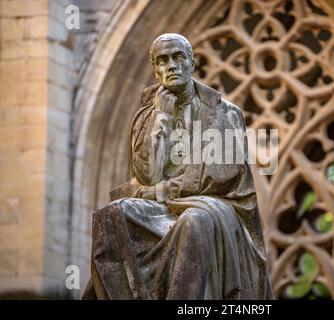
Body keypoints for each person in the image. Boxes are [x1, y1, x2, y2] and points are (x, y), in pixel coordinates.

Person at [82, 33, 273, 299]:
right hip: (162, 208)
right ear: (155, 70)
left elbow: (223, 176)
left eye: (178, 57)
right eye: (162, 61)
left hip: (215, 206)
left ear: (192, 63)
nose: (171, 66)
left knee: (193, 221)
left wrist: (158, 191)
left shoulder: (223, 111)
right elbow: (146, 174)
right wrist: (161, 116)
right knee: (112, 215)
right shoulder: (146, 116)